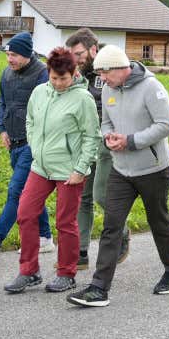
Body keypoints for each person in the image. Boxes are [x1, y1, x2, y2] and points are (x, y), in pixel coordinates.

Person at [67, 46, 169, 307]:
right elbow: (106, 121)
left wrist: (130, 141)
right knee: (111, 225)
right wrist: (109, 137)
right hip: (121, 169)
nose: (102, 79)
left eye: (105, 73)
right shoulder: (109, 89)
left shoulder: (151, 87)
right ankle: (99, 288)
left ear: (120, 69)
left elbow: (166, 125)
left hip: (153, 169)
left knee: (159, 221)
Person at [3, 47, 99, 294]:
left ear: (74, 73)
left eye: (63, 78)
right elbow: (30, 121)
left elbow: (92, 137)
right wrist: (35, 146)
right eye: (53, 78)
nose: (57, 83)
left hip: (70, 171)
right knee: (25, 213)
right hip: (41, 167)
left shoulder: (83, 99)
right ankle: (29, 271)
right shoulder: (39, 92)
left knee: (65, 222)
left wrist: (80, 168)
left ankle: (67, 273)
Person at [0, 32, 54, 264]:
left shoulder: (42, 73)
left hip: (33, 144)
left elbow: (46, 108)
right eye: (8, 54)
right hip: (14, 143)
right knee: (28, 189)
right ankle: (45, 237)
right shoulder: (7, 73)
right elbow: (2, 102)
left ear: (26, 54)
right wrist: (2, 129)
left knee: (16, 191)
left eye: (14, 55)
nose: (9, 59)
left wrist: (37, 138)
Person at [65, 28, 129, 270]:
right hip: (85, 140)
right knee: (83, 196)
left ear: (93, 49)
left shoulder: (111, 68)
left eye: (79, 54)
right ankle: (81, 251)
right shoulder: (78, 74)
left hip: (107, 140)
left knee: (101, 194)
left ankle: (122, 231)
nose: (76, 59)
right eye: (72, 55)